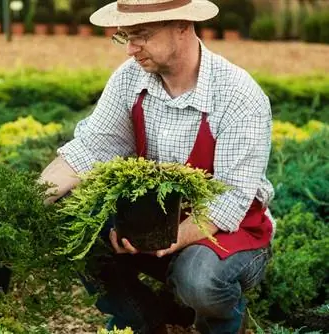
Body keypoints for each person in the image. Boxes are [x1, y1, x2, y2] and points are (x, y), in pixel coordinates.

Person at [39, 0, 275, 333]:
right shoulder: (129, 80)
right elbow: (90, 150)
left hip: (226, 235)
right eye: (125, 36)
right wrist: (29, 199)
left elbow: (229, 203)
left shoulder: (238, 96)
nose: (130, 49)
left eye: (141, 35)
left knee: (198, 280)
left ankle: (220, 319)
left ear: (182, 27)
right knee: (70, 217)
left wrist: (164, 239)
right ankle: (139, 320)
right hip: (150, 222)